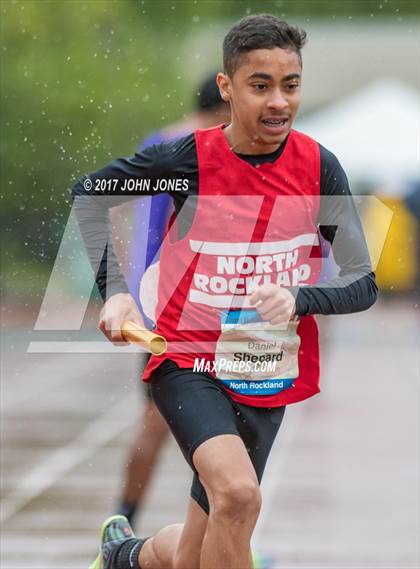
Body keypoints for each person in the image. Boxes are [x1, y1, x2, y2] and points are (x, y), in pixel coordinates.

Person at [73, 14, 378, 569]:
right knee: (238, 495)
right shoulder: (183, 163)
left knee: (200, 549)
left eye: (290, 85)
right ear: (227, 87)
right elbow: (92, 194)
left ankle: (125, 557)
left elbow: (363, 280)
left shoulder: (318, 167)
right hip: (186, 359)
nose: (278, 102)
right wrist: (115, 291)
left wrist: (300, 298)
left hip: (265, 365)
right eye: (260, 85)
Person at [115, 75, 230, 527]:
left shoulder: (159, 142)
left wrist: (122, 279)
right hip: (185, 307)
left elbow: (109, 203)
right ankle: (222, 530)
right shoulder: (202, 148)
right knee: (203, 423)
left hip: (157, 303)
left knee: (158, 419)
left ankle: (122, 519)